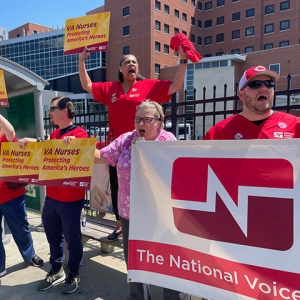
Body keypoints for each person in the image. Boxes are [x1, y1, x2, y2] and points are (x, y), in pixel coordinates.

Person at [79, 45, 188, 241]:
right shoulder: (110, 89)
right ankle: (122, 226)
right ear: (120, 69)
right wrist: (81, 61)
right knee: (118, 190)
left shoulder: (148, 87)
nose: (132, 64)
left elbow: (175, 86)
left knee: (149, 191)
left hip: (146, 150)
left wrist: (183, 61)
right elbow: (87, 85)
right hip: (120, 150)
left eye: (134, 62)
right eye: (127, 62)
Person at [94, 100, 190, 300]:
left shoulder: (168, 141)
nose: (141, 124)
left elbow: (178, 175)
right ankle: (139, 297)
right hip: (130, 213)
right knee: (135, 261)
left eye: (147, 119)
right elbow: (101, 156)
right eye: (138, 119)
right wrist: (74, 147)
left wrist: (148, 151)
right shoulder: (127, 140)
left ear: (159, 123)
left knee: (167, 260)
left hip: (161, 214)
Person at [18, 97, 88, 294]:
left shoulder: (80, 134)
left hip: (71, 200)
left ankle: (73, 272)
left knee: (73, 239)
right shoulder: (55, 134)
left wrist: (76, 144)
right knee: (53, 236)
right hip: (52, 197)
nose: (49, 112)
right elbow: (45, 145)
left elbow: (89, 152)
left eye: (52, 108)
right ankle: (56, 270)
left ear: (64, 110)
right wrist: (29, 142)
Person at [204, 65, 300, 139]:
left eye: (269, 84)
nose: (264, 88)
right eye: (255, 84)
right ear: (241, 95)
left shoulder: (295, 126)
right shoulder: (218, 133)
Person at [0, 115, 44, 277]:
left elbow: (10, 130)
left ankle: (29, 255)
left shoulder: (6, 140)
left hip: (11, 195)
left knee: (20, 228)